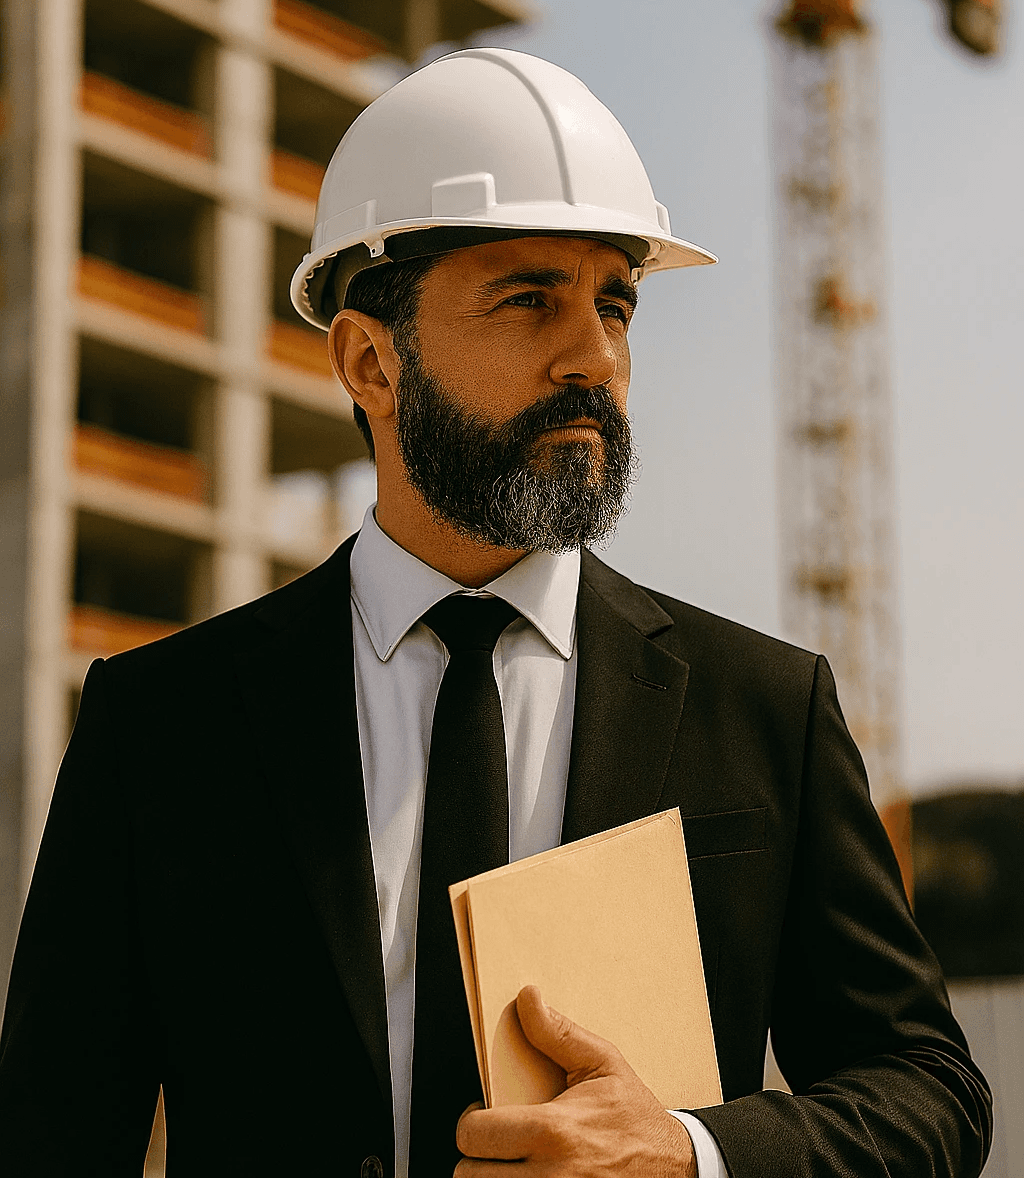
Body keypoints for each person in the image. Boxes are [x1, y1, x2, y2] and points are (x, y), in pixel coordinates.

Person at [0, 48, 991, 1178]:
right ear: (369, 363)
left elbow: (929, 1093)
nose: (595, 357)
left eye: (615, 303)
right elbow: (47, 1138)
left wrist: (691, 1152)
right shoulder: (161, 723)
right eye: (530, 300)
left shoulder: (766, 707)